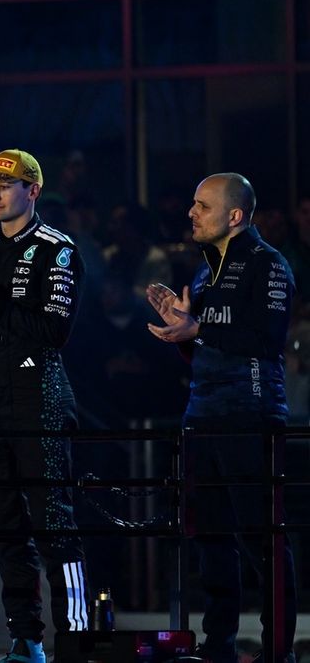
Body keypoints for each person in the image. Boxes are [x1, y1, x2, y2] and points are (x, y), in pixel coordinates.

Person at [0, 150, 89, 663]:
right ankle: (26, 640)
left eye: (5, 185)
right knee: (4, 527)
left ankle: (76, 641)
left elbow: (55, 331)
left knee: (54, 525)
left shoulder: (58, 249)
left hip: (40, 394)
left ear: (33, 191)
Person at [146, 173, 298, 663]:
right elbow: (204, 347)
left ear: (234, 215)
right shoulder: (202, 272)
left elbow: (267, 340)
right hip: (201, 416)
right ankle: (218, 649)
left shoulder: (268, 264)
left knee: (261, 539)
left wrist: (197, 329)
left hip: (251, 415)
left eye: (202, 205)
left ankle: (278, 652)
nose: (191, 213)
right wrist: (182, 331)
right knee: (210, 539)